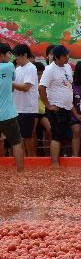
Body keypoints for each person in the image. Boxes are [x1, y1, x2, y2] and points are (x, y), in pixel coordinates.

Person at [38, 44, 74, 167]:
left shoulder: (68, 66)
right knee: (57, 135)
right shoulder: (49, 69)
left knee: (64, 135)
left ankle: (59, 159)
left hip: (67, 107)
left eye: (67, 54)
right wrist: (48, 105)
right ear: (57, 58)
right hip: (56, 108)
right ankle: (54, 163)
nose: (67, 57)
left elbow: (68, 86)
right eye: (65, 56)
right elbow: (41, 87)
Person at [0, 43, 25, 171]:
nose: (11, 56)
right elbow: (13, 79)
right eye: (9, 53)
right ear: (1, 55)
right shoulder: (9, 66)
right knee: (16, 142)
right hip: (7, 114)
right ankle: (21, 172)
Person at [12, 45, 39, 158]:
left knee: (27, 137)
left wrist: (9, 82)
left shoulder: (31, 68)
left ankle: (32, 160)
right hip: (17, 107)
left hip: (27, 108)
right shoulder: (17, 69)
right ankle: (22, 160)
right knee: (19, 138)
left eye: (17, 56)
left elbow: (26, 87)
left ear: (24, 55)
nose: (16, 58)